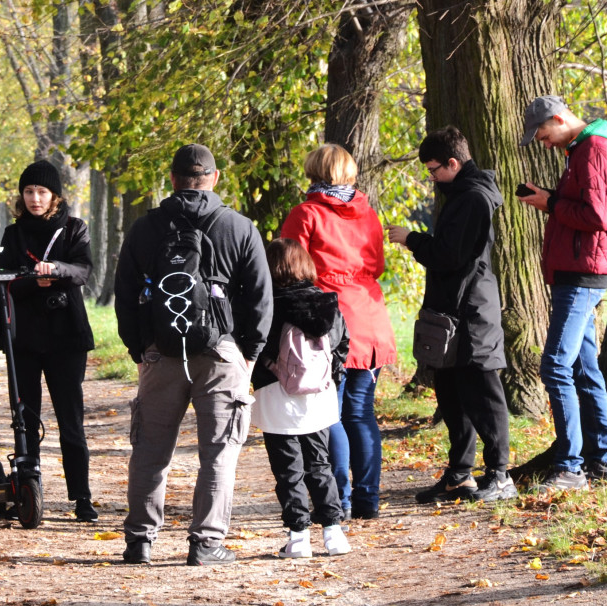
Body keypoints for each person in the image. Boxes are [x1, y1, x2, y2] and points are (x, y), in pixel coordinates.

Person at [115, 144, 272, 566]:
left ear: (172, 179)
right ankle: (205, 544)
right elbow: (260, 298)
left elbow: (125, 293)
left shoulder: (145, 228)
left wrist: (138, 347)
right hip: (221, 352)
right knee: (218, 453)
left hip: (161, 351)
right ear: (214, 178)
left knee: (150, 450)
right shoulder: (239, 227)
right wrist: (250, 353)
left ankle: (140, 542)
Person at [387, 126, 515, 503]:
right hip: (453, 313)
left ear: (454, 163)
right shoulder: (460, 195)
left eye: (434, 170)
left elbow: (449, 255)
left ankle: (500, 474)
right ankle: (460, 474)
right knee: (452, 395)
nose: (432, 178)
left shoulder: (473, 198)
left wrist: (412, 239)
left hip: (472, 313)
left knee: (484, 395)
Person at [516, 95, 607, 490]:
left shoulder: (594, 150)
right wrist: (553, 199)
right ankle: (606, 460)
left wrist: (551, 202)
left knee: (555, 367)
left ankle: (570, 468)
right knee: (584, 369)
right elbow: (585, 206)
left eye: (544, 134)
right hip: (577, 272)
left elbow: (598, 216)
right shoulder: (582, 150)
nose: (544, 143)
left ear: (560, 119)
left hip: (583, 274)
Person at [281, 144, 397, 520]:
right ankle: (368, 500)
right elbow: (377, 265)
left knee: (329, 414)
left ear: (313, 171)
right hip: (370, 314)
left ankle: (339, 500)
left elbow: (290, 267)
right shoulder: (368, 214)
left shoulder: (305, 214)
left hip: (328, 318)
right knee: (361, 414)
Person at [0, 160, 98, 523]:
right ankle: (29, 485)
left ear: (54, 195)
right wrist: (28, 280)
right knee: (26, 417)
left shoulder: (73, 229)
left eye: (41, 192)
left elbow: (84, 269)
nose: (35, 198)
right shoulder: (13, 233)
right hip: (23, 338)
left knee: (71, 420)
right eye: (28, 192)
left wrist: (56, 271)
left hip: (66, 338)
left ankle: (81, 496)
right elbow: (2, 278)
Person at [252, 238, 351, 558]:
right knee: (320, 463)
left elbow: (254, 347)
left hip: (276, 395)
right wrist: (329, 379)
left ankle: (298, 539)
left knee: (288, 470)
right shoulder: (326, 303)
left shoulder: (264, 305)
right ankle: (333, 534)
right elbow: (341, 346)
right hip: (319, 396)